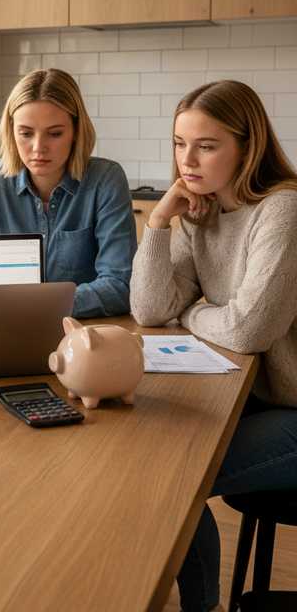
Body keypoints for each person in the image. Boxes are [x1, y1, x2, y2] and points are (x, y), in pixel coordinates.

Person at [130, 80, 297, 612]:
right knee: (156, 457)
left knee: (171, 478)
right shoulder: (199, 211)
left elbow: (249, 331)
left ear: (247, 147)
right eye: (180, 144)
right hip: (258, 399)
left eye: (206, 145)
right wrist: (159, 221)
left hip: (294, 410)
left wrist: (193, 312)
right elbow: (151, 310)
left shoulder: (283, 211)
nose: (188, 160)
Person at [0, 68, 136, 318]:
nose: (38, 147)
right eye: (26, 133)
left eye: (54, 133)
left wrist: (38, 306)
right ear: (12, 132)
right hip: (3, 327)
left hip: (81, 335)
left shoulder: (106, 180)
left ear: (76, 132)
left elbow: (120, 286)